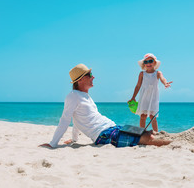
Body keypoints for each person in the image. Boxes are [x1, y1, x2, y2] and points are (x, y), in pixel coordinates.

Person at [40, 64, 171, 148]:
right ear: (80, 80)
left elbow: (77, 119)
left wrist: (74, 139)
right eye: (89, 75)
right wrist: (53, 144)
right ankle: (177, 144)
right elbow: (65, 119)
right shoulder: (73, 96)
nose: (93, 77)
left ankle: (175, 139)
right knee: (148, 139)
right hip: (104, 135)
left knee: (148, 132)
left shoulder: (85, 96)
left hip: (113, 128)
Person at [128, 53, 172, 132]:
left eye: (150, 61)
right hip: (144, 96)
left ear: (154, 62)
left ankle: (156, 133)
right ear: (144, 64)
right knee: (143, 116)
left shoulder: (158, 73)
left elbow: (162, 79)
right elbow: (138, 86)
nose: (148, 63)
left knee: (153, 116)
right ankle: (142, 132)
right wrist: (133, 97)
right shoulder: (142, 74)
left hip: (153, 97)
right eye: (146, 62)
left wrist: (165, 83)